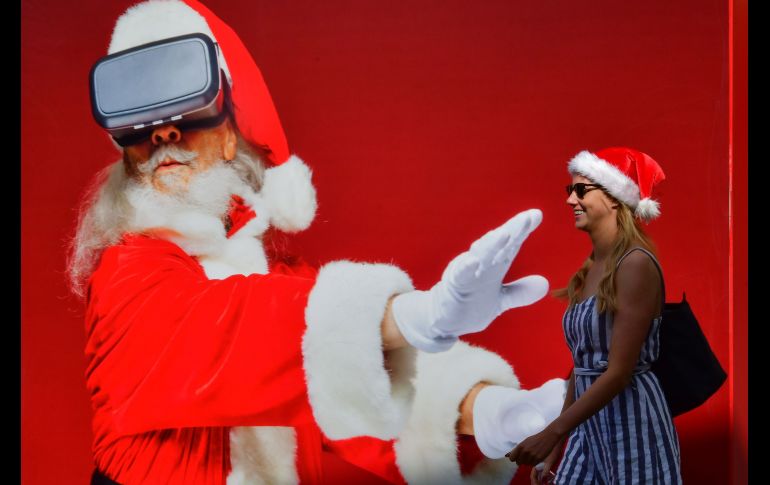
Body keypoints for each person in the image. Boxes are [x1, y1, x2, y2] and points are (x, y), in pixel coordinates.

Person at [69, 1, 567, 483]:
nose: (165, 133)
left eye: (189, 110)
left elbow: (352, 394)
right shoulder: (125, 275)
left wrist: (484, 411)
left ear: (230, 137)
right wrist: (417, 314)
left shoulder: (278, 276)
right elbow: (240, 332)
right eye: (143, 123)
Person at [506, 147, 682, 484]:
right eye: (569, 190)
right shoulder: (589, 268)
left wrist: (552, 432)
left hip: (634, 425)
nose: (570, 200)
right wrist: (559, 441)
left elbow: (618, 373)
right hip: (589, 427)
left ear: (615, 198)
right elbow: (583, 364)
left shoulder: (635, 264)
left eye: (582, 190)